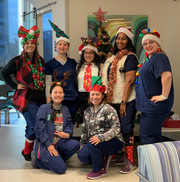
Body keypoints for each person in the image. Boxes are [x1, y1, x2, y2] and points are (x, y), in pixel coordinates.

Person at [0, 25, 46, 162]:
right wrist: (15, 85)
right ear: (23, 45)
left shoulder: (40, 60)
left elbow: (44, 78)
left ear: (35, 44)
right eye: (27, 43)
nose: (29, 45)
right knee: (35, 125)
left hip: (41, 99)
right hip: (26, 99)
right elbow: (3, 73)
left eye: (32, 43)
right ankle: (30, 152)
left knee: (32, 125)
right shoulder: (17, 60)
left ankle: (27, 153)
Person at [102, 27, 138, 173]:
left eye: (123, 38)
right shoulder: (112, 58)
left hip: (126, 100)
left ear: (128, 40)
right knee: (117, 130)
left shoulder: (130, 57)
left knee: (127, 129)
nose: (120, 41)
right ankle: (123, 155)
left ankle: (131, 160)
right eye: (118, 38)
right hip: (112, 100)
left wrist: (123, 101)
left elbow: (129, 81)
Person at [33, 73, 80, 174]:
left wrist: (67, 133)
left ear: (63, 95)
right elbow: (39, 129)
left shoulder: (65, 109)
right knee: (61, 169)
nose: (58, 95)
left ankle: (57, 158)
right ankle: (38, 161)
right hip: (47, 144)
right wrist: (49, 145)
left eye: (60, 92)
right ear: (50, 95)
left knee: (75, 144)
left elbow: (69, 125)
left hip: (60, 142)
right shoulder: (44, 109)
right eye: (55, 92)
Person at [78, 76, 123, 180]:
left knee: (92, 143)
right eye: (92, 94)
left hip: (113, 141)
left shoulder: (108, 109)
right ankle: (101, 156)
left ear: (102, 95)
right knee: (82, 156)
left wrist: (101, 137)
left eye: (97, 94)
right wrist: (82, 144)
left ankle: (99, 170)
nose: (95, 97)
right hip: (95, 143)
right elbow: (85, 130)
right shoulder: (87, 112)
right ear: (89, 96)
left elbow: (116, 128)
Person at [135, 28, 174, 144]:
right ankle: (160, 162)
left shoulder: (159, 57)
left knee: (146, 135)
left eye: (151, 42)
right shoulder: (149, 59)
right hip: (149, 106)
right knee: (155, 136)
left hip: (154, 107)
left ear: (157, 43)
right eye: (145, 44)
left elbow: (167, 76)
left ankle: (150, 162)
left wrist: (164, 96)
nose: (148, 45)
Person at [45, 20, 78, 124]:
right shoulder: (50, 64)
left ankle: (68, 140)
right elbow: (47, 83)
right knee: (55, 123)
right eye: (60, 44)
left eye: (65, 45)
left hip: (72, 98)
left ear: (68, 47)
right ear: (56, 46)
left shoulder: (73, 63)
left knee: (69, 123)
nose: (62, 47)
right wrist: (48, 98)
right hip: (56, 98)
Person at [76, 37, 101, 124]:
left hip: (94, 97)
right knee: (85, 123)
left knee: (95, 122)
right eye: (86, 53)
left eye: (91, 53)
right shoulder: (79, 67)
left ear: (95, 54)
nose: (88, 55)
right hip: (82, 97)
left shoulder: (99, 67)